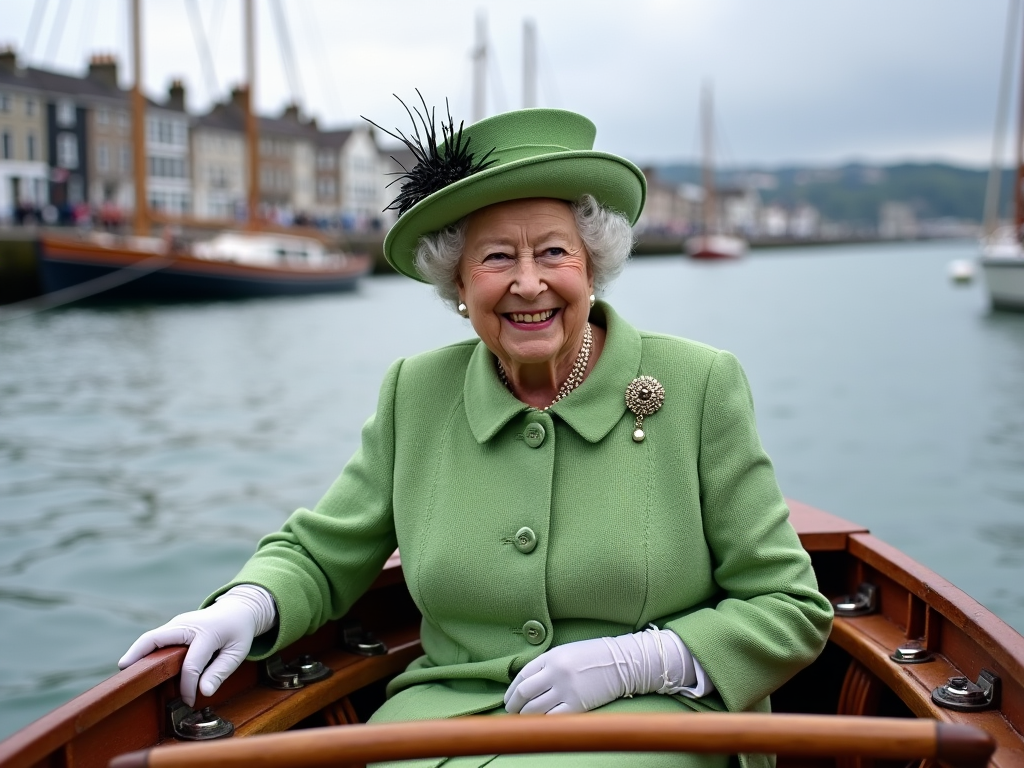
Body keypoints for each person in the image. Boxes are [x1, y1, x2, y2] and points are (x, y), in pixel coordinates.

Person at [119, 105, 833, 768]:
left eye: (554, 252)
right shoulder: (417, 393)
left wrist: (643, 660)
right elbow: (322, 550)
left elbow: (790, 607)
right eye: (496, 259)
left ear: (593, 267)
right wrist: (248, 604)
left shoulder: (700, 384)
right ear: (458, 283)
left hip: (653, 724)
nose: (528, 284)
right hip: (440, 727)